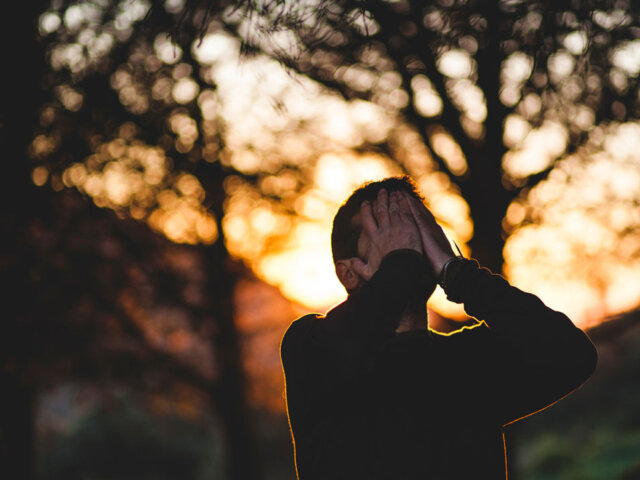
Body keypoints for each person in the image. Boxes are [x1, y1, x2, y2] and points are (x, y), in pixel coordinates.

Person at [280, 176, 597, 480]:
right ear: (348, 274)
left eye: (415, 227)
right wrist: (400, 262)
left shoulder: (472, 360)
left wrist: (456, 272)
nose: (408, 240)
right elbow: (350, 347)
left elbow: (572, 354)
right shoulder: (310, 346)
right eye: (387, 229)